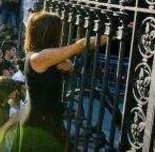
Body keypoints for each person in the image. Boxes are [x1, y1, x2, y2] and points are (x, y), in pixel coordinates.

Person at [18, 11, 107, 152]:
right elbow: (80, 45)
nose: (62, 34)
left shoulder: (40, 55)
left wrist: (70, 66)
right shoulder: (40, 57)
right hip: (41, 122)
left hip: (48, 118)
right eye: (60, 29)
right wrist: (113, 35)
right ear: (49, 33)